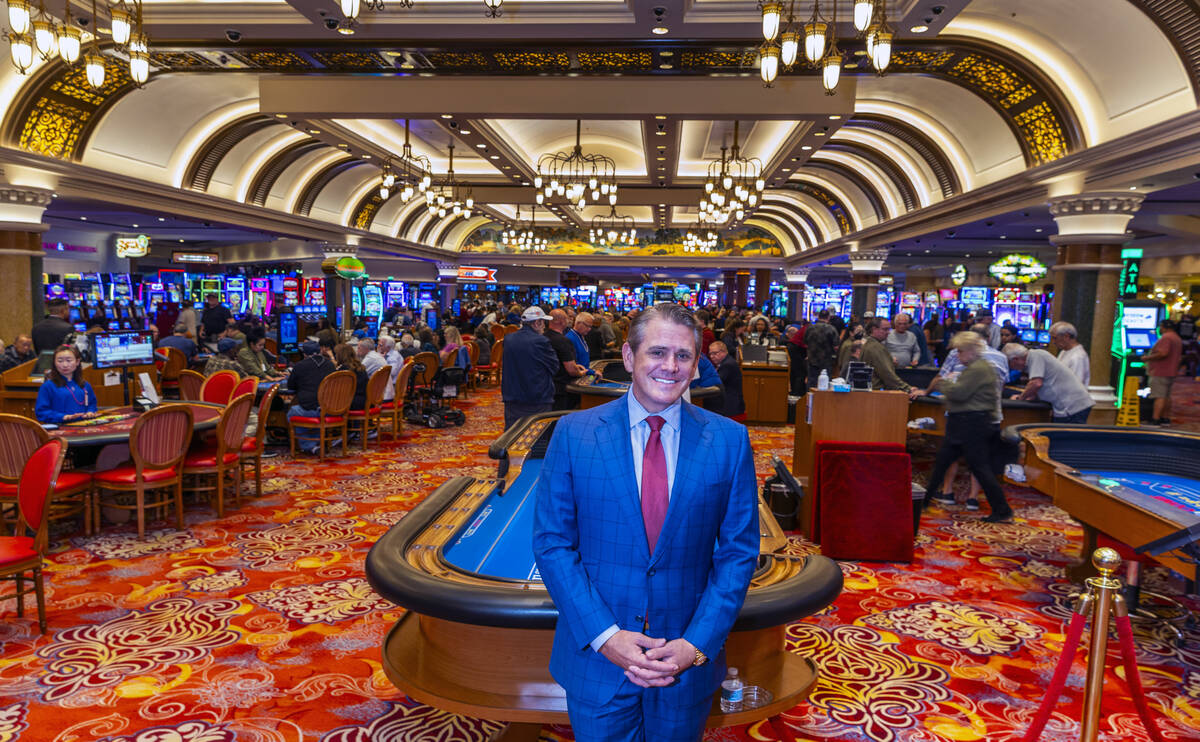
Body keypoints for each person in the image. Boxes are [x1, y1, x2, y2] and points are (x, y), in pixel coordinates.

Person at [533, 304, 758, 742]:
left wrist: (696, 645)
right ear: (629, 355)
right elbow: (552, 544)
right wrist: (605, 636)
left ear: (696, 364)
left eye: (684, 356)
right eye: (657, 352)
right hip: (598, 659)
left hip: (685, 660)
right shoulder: (573, 433)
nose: (670, 367)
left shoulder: (729, 439)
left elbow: (738, 553)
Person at [922, 332, 1013, 523]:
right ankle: (923, 501)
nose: (958, 355)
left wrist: (944, 382)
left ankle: (1002, 510)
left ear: (971, 351)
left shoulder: (978, 369)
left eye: (960, 351)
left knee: (977, 467)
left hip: (971, 424)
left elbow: (958, 393)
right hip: (967, 422)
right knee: (944, 464)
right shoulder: (976, 367)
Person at [501, 306, 559, 429]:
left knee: (512, 435)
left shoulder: (509, 339)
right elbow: (554, 367)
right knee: (537, 437)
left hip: (512, 397)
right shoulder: (541, 341)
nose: (545, 326)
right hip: (537, 397)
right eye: (543, 322)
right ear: (537, 323)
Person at [1004, 343, 1093, 423]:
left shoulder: (1036, 355)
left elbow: (1036, 383)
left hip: (1072, 407)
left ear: (1015, 359)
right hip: (1067, 407)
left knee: (1068, 439)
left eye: (1009, 363)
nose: (1011, 368)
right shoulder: (1034, 358)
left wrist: (1021, 398)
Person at [286, 339, 336, 454]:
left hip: (310, 409)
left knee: (292, 411)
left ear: (304, 354)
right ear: (320, 351)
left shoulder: (300, 366)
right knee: (310, 409)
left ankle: (309, 446)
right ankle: (317, 442)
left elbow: (291, 387)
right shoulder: (330, 365)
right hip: (329, 409)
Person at [34, 345, 99, 424]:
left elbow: (92, 404)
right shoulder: (48, 386)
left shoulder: (85, 385)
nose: (65, 365)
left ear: (77, 362)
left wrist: (90, 412)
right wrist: (63, 417)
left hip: (84, 426)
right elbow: (41, 412)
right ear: (54, 363)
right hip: (60, 427)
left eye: (69, 360)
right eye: (60, 361)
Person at [861, 318, 920, 396]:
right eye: (885, 329)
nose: (888, 332)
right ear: (874, 329)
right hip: (876, 393)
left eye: (889, 329)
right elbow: (887, 374)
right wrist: (907, 388)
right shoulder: (876, 347)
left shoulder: (868, 344)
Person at [1142, 319, 1183, 425]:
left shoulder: (1166, 338)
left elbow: (1163, 353)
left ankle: (1155, 419)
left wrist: (1147, 358)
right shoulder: (1176, 337)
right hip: (1170, 371)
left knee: (1159, 396)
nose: (1159, 328)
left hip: (1160, 371)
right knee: (1166, 396)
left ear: (1164, 327)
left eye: (1160, 326)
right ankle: (1165, 418)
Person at [546, 308, 586, 410]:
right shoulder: (563, 341)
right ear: (562, 321)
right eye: (568, 318)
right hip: (560, 388)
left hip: (546, 385)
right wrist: (582, 373)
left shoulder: (542, 337)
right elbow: (571, 370)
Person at [707, 341, 745, 420]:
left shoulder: (727, 365)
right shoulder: (726, 362)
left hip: (730, 405)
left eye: (714, 353)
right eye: (710, 354)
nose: (711, 356)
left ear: (724, 352)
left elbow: (715, 382)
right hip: (729, 401)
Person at [804, 310, 839, 388]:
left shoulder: (810, 328)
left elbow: (805, 343)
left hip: (812, 359)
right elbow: (836, 346)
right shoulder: (832, 329)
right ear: (828, 318)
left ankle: (810, 399)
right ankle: (823, 400)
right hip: (826, 361)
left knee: (811, 383)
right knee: (824, 384)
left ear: (818, 316)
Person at [1049, 321, 1090, 386]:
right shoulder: (1064, 351)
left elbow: (1076, 385)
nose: (1053, 342)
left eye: (1055, 338)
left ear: (1066, 336)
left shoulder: (1078, 357)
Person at [334, 343, 369, 412]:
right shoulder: (360, 366)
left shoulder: (343, 370)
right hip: (364, 400)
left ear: (339, 356)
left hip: (351, 402)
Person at [378, 336, 404, 402]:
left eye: (380, 345)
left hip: (392, 387)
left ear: (388, 347)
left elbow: (392, 372)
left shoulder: (394, 356)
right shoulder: (386, 354)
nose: (378, 346)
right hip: (387, 384)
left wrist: (381, 359)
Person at [784, 325, 807, 395]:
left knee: (794, 372)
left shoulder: (807, 328)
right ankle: (797, 394)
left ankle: (793, 393)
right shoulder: (811, 329)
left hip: (793, 347)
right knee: (800, 373)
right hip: (796, 348)